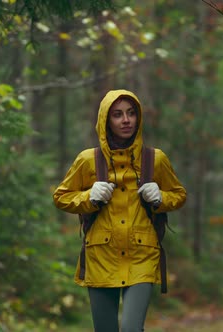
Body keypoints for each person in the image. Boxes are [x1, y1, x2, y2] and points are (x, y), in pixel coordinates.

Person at [53, 89, 187, 332]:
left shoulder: (155, 160)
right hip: (100, 256)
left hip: (142, 256)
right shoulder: (87, 160)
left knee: (130, 329)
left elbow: (179, 195)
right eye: (117, 114)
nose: (126, 120)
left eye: (131, 113)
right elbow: (61, 197)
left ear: (138, 118)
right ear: (106, 120)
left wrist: (160, 198)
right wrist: (88, 197)